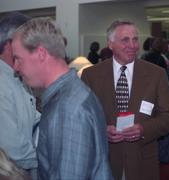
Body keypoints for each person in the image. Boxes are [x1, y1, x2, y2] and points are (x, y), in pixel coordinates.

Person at [12, 17, 113, 180]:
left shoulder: (69, 107)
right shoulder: (67, 97)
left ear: (41, 53)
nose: (15, 68)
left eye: (18, 58)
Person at [81, 20, 169, 180]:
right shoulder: (91, 76)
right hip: (104, 162)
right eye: (125, 40)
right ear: (110, 44)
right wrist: (101, 131)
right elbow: (82, 118)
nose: (132, 45)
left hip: (143, 163)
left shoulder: (156, 74)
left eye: (135, 39)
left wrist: (143, 129)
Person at [0, 12, 40, 178]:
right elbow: (12, 146)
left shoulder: (16, 75)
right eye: (29, 42)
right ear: (10, 44)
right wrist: (44, 160)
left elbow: (35, 117)